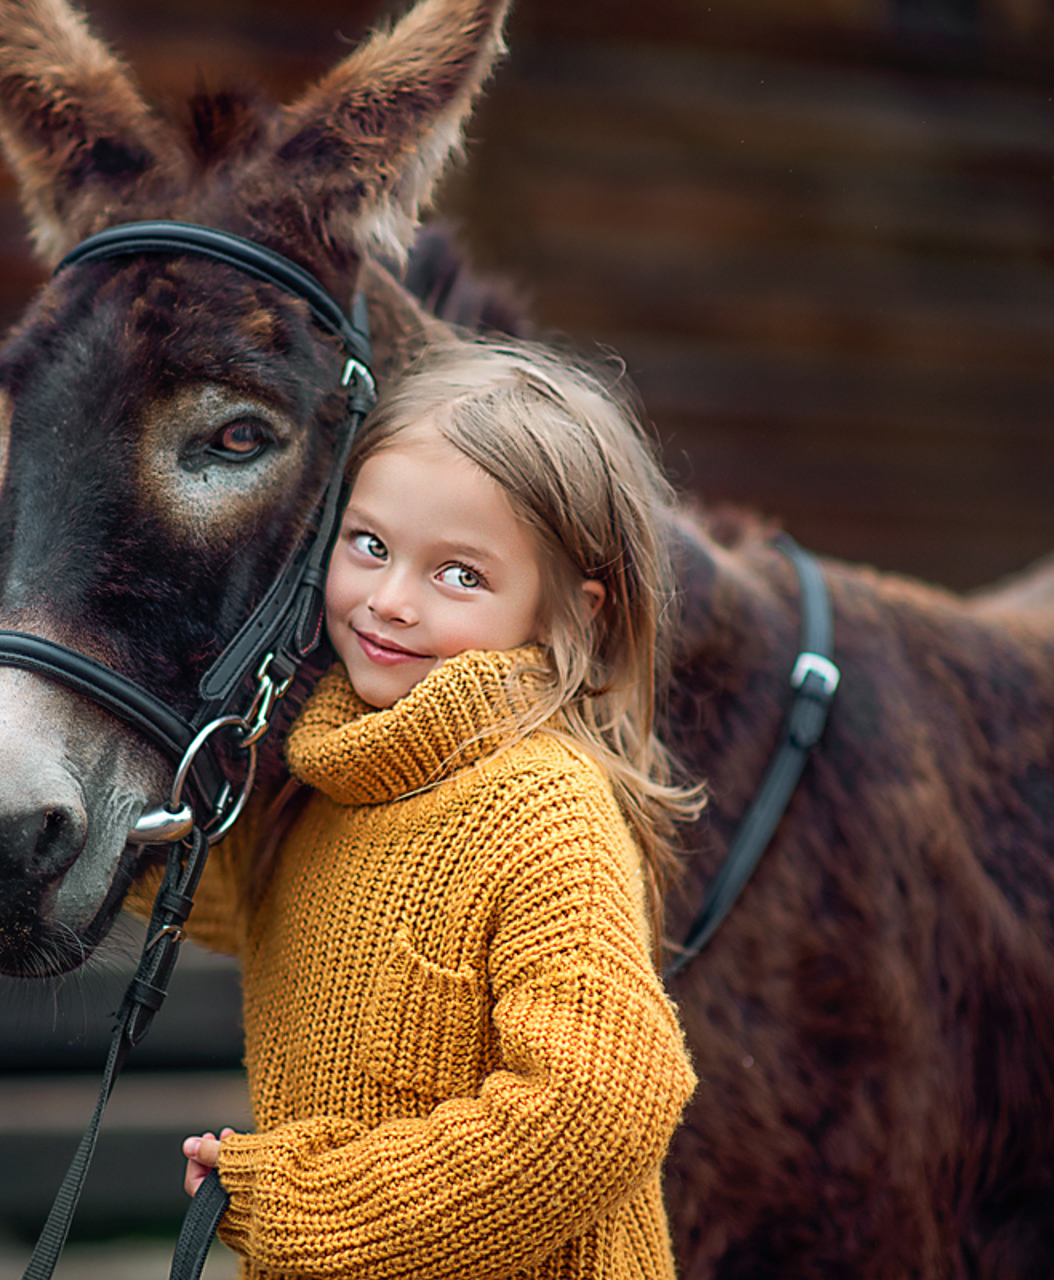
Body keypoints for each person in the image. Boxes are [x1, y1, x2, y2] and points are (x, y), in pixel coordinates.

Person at [129, 336, 701, 1279]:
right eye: (371, 546)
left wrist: (316, 1205)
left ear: (572, 614)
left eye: (460, 574)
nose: (390, 600)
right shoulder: (327, 777)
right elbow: (202, 880)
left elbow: (606, 1098)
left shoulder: (540, 806)